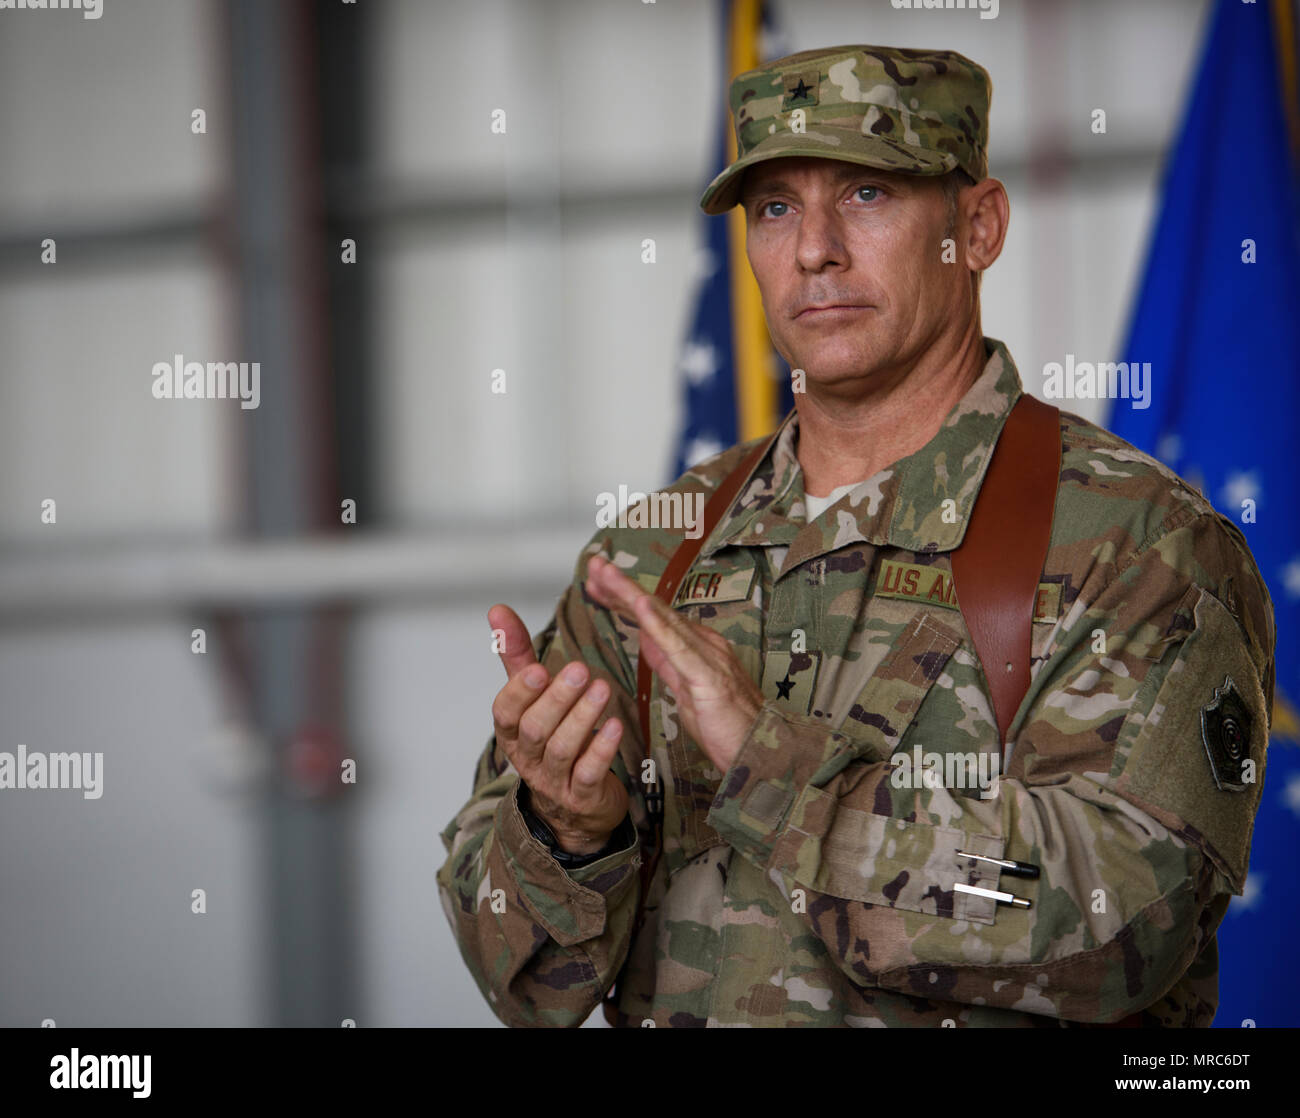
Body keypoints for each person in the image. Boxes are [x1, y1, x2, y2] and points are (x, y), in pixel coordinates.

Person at [437, 44, 1276, 1027]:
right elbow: (521, 984)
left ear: (977, 225)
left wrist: (774, 768)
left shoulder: (1134, 541)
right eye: (776, 208)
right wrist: (567, 833)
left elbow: (1122, 926)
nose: (813, 249)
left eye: (869, 193)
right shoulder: (650, 558)